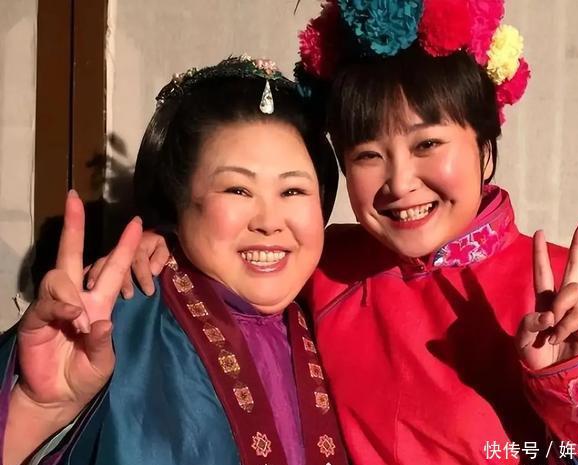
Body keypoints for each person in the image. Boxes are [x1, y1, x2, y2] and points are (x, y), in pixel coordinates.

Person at [99, 1, 578, 464]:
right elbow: (237, 255)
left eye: (427, 144)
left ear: (485, 148)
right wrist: (168, 242)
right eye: (367, 155)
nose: (400, 183)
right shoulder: (325, 269)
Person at [0, 56, 349, 465]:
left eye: (292, 191)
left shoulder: (341, 306)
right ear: (177, 203)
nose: (269, 222)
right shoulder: (110, 323)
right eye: (237, 190)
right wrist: (36, 410)